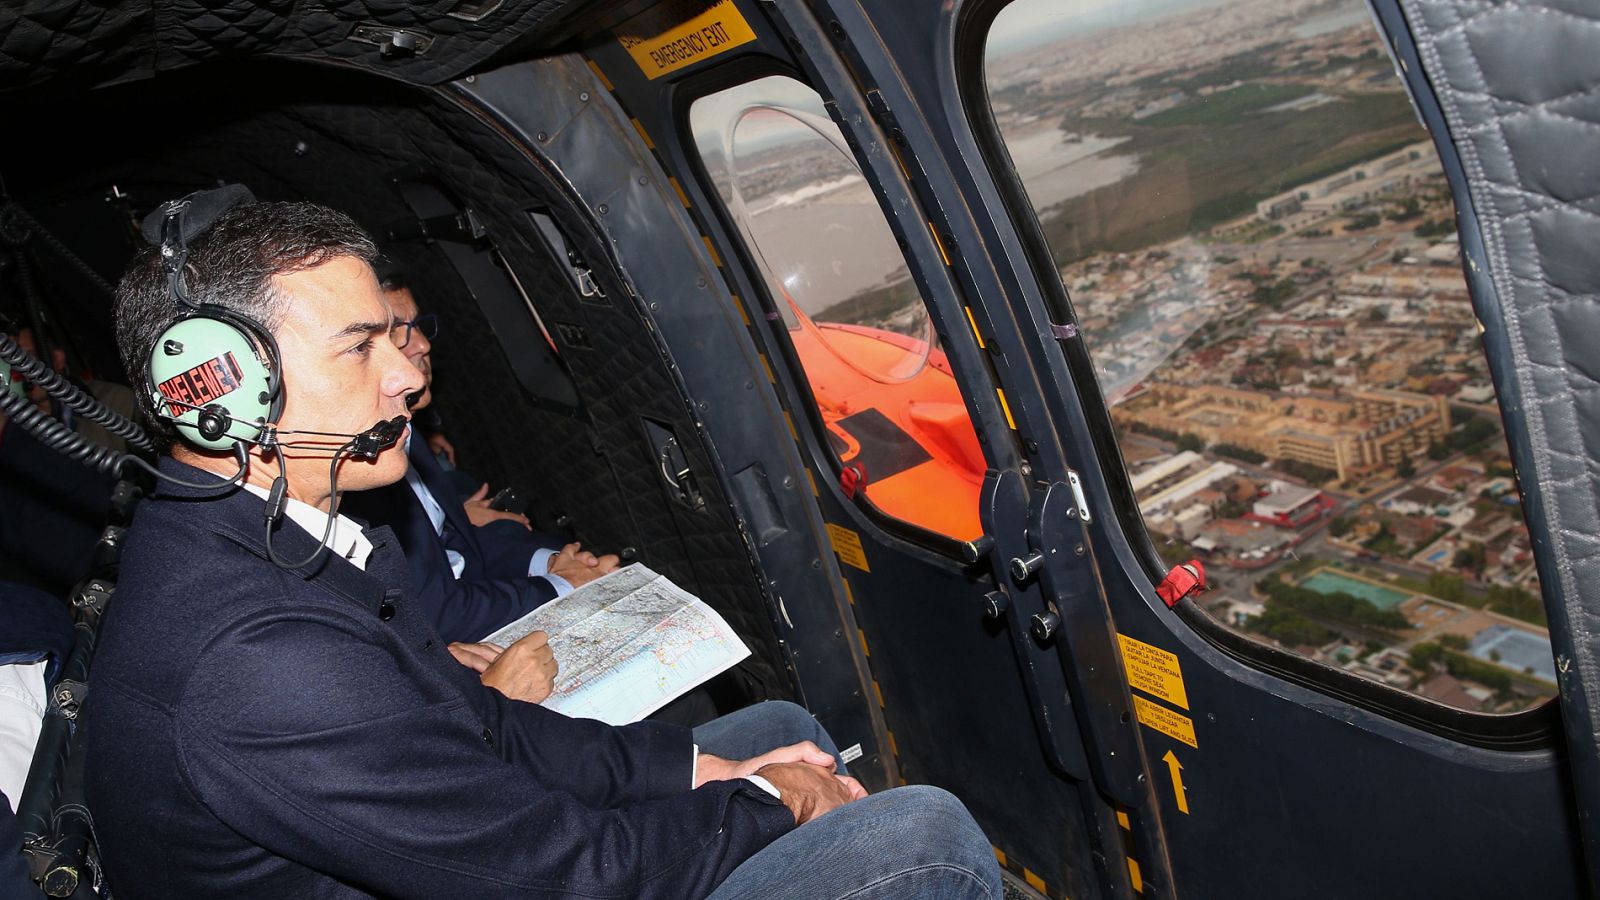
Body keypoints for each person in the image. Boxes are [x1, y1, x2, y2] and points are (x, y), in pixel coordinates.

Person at [83, 193, 1001, 899]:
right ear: (222, 390)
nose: (405, 376)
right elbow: (560, 878)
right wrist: (771, 803)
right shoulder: (260, 656)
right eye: (359, 348)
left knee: (776, 734)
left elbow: (486, 725)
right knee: (922, 836)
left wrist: (713, 772)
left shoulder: (270, 540)